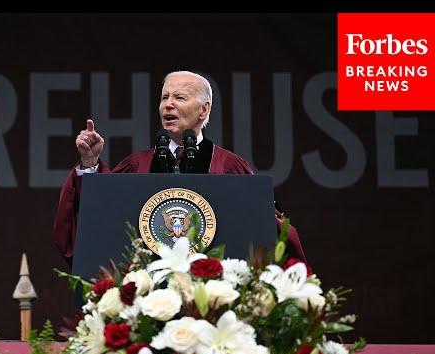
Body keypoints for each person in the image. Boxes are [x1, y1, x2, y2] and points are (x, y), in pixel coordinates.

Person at [53, 70, 306, 265]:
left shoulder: (229, 167)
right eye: (164, 98)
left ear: (203, 110)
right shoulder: (137, 165)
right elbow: (99, 218)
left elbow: (264, 231)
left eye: (179, 97)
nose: (168, 104)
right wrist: (90, 164)